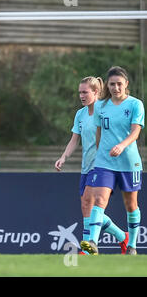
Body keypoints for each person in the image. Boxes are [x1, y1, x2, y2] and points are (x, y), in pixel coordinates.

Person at [55, 76, 128, 254]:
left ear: (95, 92)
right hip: (86, 167)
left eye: (85, 92)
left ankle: (88, 248)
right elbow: (74, 139)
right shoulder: (80, 114)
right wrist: (64, 157)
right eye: (80, 92)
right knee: (87, 207)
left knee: (93, 204)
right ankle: (122, 236)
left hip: (104, 165)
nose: (81, 95)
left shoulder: (105, 111)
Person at [80, 66, 144, 255]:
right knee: (99, 199)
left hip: (128, 162)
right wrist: (100, 153)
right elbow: (98, 132)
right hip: (105, 162)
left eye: (119, 84)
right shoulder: (101, 105)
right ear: (107, 85)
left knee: (130, 204)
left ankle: (131, 245)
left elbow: (136, 132)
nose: (116, 88)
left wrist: (122, 146)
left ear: (126, 85)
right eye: (112, 84)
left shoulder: (135, 104)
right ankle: (92, 241)